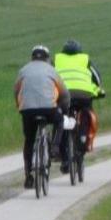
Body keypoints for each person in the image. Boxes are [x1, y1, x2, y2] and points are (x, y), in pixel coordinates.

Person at [14, 45, 70, 189]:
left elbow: (17, 91)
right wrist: (64, 108)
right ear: (47, 57)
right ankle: (55, 147)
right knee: (59, 121)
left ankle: (28, 176)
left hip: (27, 110)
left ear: (32, 57)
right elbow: (64, 93)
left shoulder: (23, 70)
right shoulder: (52, 70)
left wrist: (19, 106)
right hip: (48, 109)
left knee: (29, 140)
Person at [54, 39, 104, 173]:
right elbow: (97, 77)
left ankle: (63, 156)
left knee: (61, 119)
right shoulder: (85, 59)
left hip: (63, 94)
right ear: (79, 51)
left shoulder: (58, 60)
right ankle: (83, 137)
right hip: (83, 94)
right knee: (87, 111)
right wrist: (99, 89)